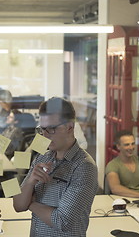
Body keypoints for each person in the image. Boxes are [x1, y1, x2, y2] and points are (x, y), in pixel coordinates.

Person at [13, 97, 98, 237]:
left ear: (69, 127)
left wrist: (31, 203)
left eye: (51, 129)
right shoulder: (43, 157)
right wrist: (29, 182)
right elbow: (18, 205)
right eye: (42, 129)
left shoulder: (84, 167)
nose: (45, 135)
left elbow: (62, 222)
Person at [105, 130, 139, 199]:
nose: (131, 148)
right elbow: (115, 188)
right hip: (124, 200)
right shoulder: (112, 165)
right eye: (127, 145)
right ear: (118, 146)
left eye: (133, 143)